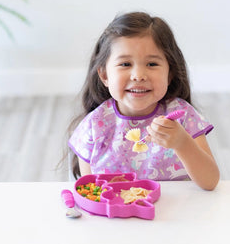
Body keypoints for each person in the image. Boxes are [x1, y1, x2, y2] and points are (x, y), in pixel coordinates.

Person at [67, 12, 220, 190]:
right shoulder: (94, 125)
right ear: (104, 75)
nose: (138, 76)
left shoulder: (183, 117)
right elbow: (90, 192)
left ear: (169, 74)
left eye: (152, 64)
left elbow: (210, 182)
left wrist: (182, 143)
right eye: (125, 64)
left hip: (179, 213)